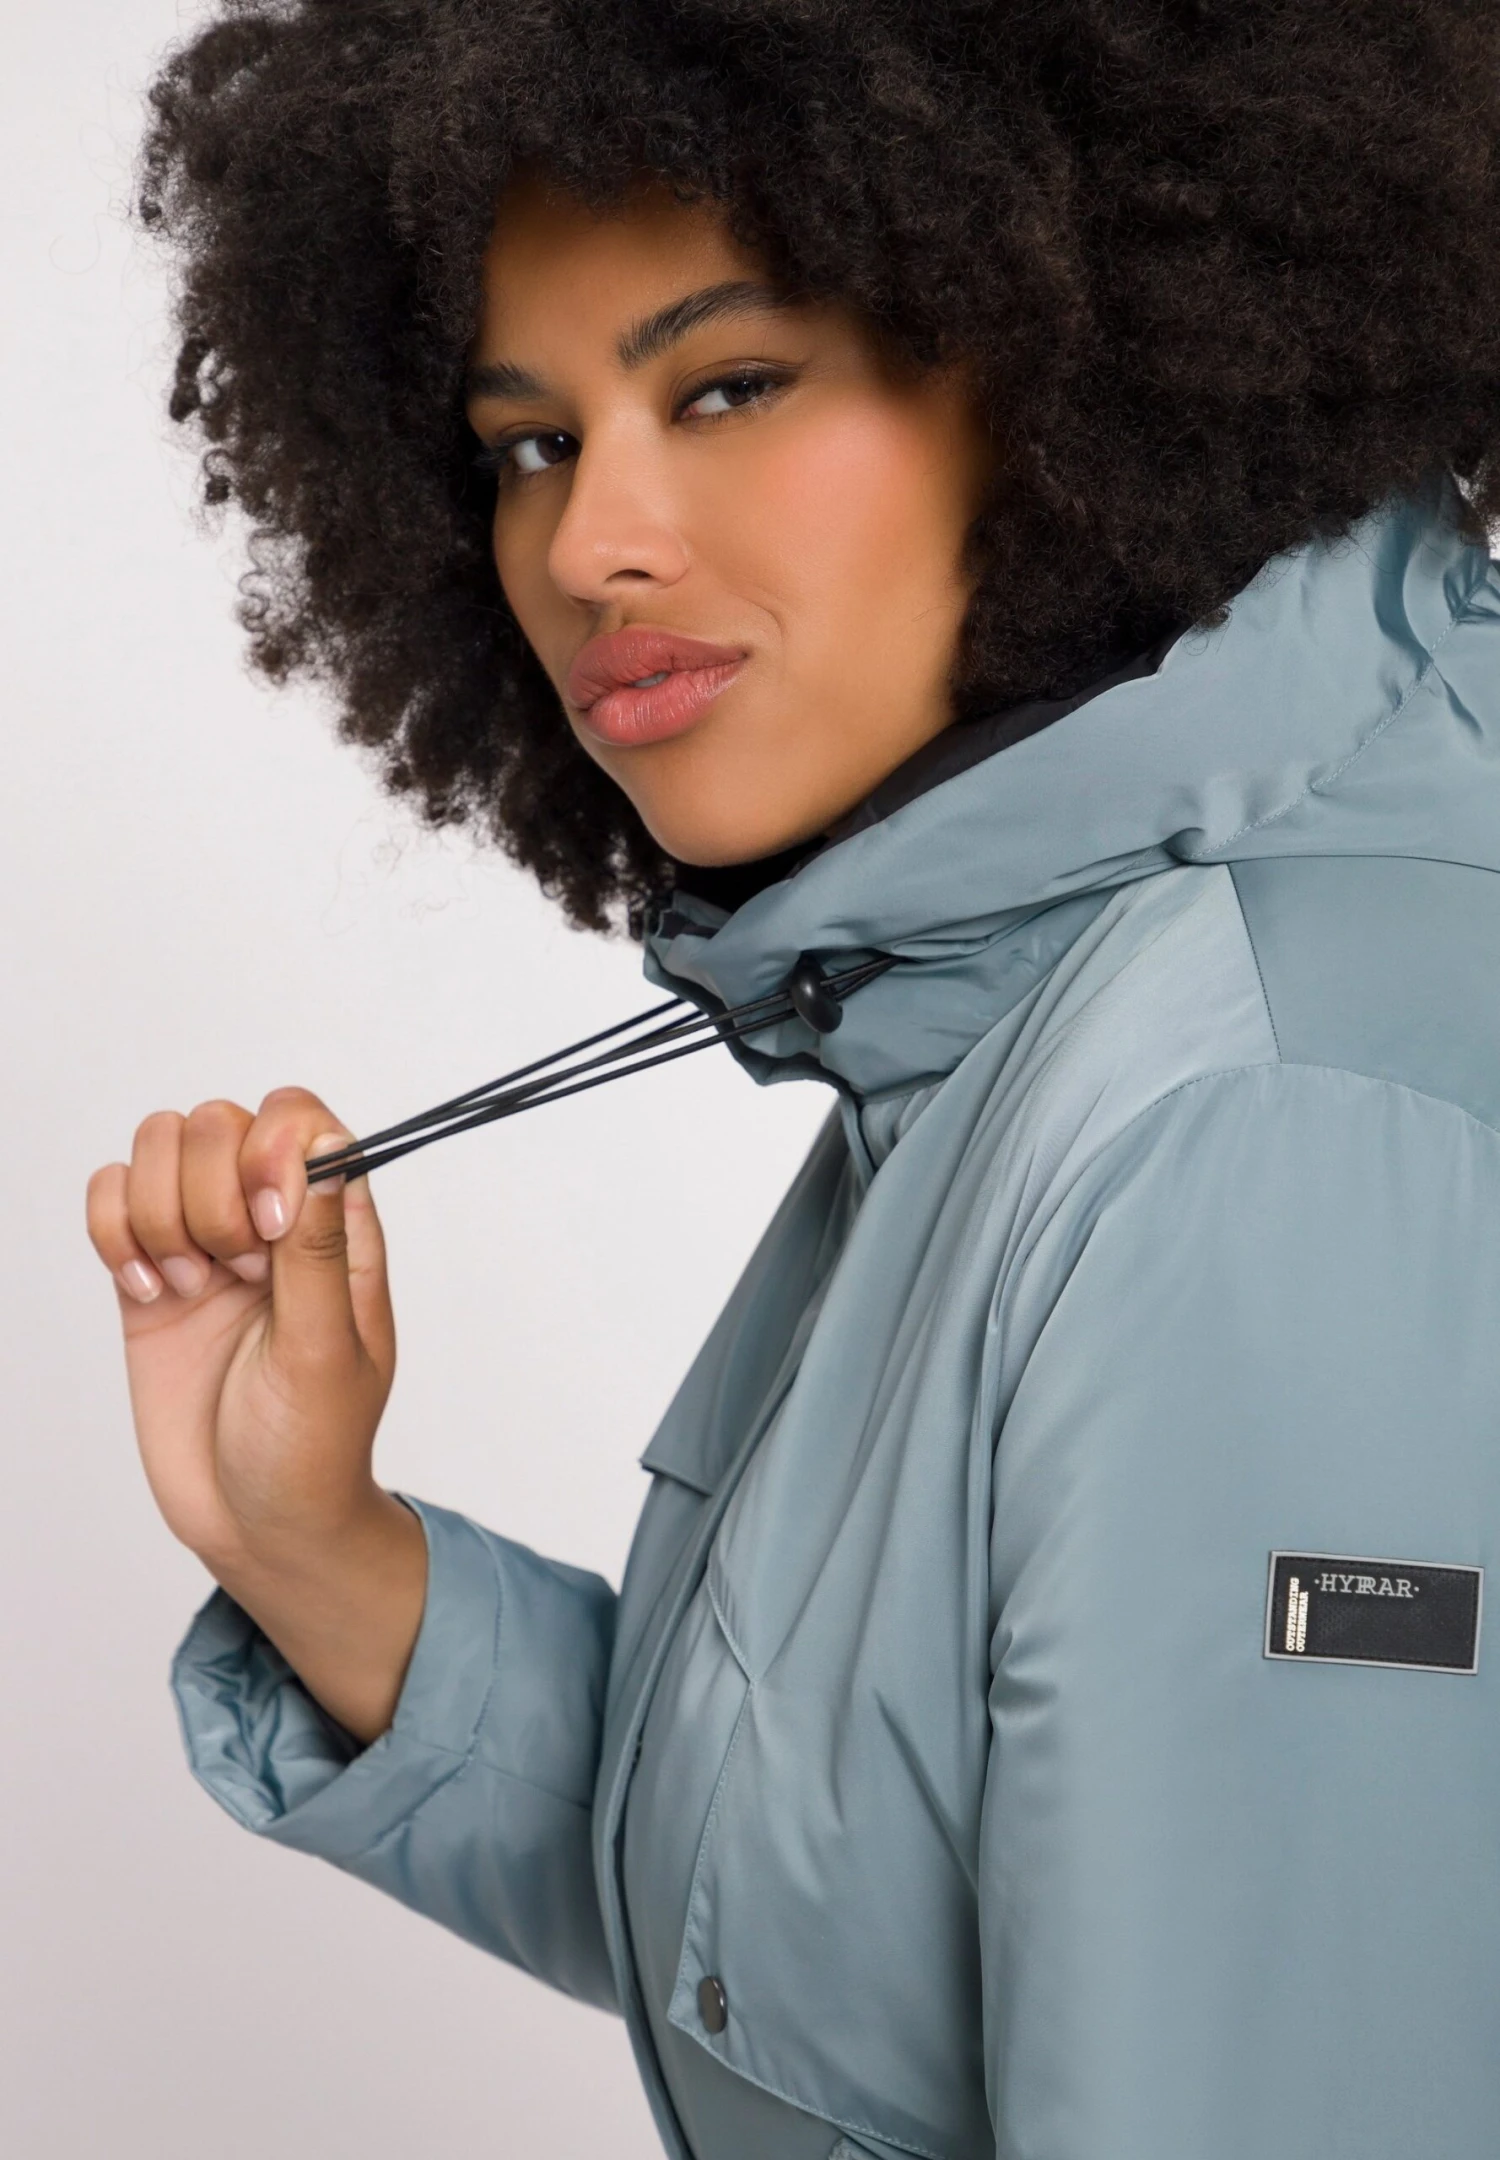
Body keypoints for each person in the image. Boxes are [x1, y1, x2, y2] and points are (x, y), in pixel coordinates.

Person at [85, 3, 1500, 2155]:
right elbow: (857, 1954)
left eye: (729, 384)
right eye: (527, 444)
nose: (589, 543)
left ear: (1065, 354)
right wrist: (321, 1551)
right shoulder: (1033, 1003)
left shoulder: (1262, 1133)